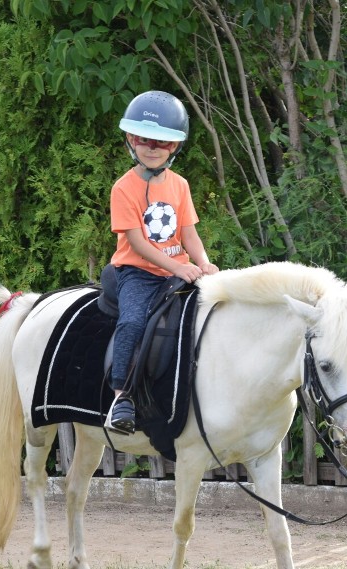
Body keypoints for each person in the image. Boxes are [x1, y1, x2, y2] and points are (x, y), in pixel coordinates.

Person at [105, 90, 219, 434]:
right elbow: (137, 244)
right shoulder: (122, 188)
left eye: (163, 142)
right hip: (136, 274)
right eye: (144, 139)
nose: (153, 148)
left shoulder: (180, 185)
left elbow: (189, 234)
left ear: (175, 147)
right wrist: (179, 268)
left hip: (178, 271)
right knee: (132, 322)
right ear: (130, 139)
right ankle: (121, 396)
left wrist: (204, 261)